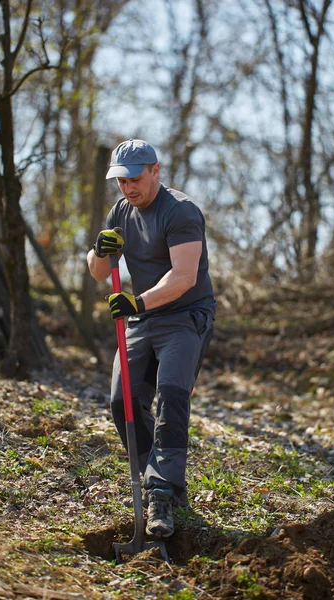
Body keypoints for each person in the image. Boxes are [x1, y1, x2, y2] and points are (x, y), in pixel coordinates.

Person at [87, 139, 216, 538]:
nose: (128, 187)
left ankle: (162, 491)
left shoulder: (181, 212)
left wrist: (136, 302)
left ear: (155, 171)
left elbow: (183, 277)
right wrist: (98, 250)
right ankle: (153, 475)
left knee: (172, 393)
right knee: (121, 400)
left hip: (183, 315)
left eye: (135, 178)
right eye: (120, 180)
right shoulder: (121, 212)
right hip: (142, 317)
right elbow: (97, 271)